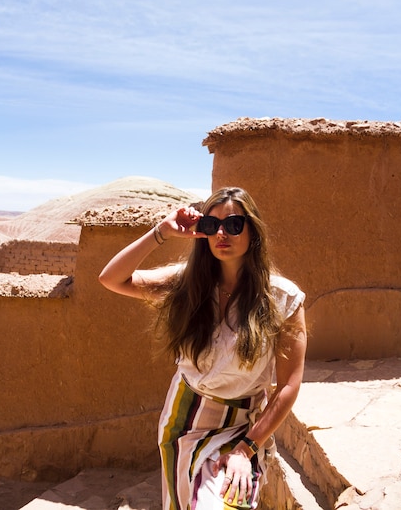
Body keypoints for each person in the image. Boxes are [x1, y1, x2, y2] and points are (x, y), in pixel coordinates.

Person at [99, 187, 307, 510]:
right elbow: (110, 278)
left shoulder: (283, 299)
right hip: (184, 418)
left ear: (252, 231)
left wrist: (247, 448)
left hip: (241, 426)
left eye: (234, 225)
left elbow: (289, 385)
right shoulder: (189, 284)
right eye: (211, 226)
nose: (222, 233)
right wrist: (162, 232)